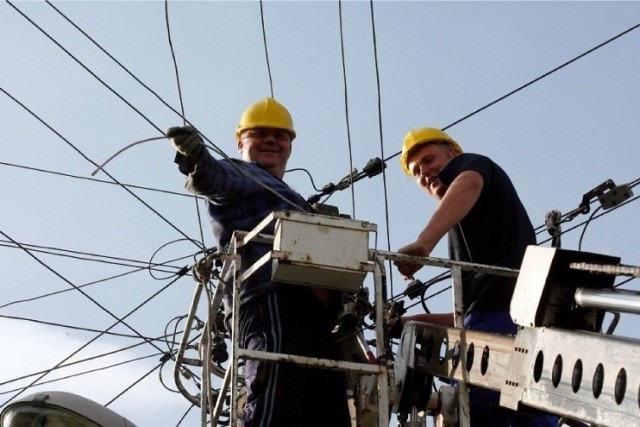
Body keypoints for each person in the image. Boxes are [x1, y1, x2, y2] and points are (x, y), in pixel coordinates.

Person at [167, 98, 351, 427]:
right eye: (259, 134)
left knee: (328, 411)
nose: (270, 140)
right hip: (270, 301)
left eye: (280, 136)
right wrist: (195, 158)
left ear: (290, 145)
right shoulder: (244, 173)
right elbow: (214, 178)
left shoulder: (289, 197)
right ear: (241, 142)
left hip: (314, 317)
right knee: (274, 399)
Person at [394, 127, 558, 426]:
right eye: (417, 171)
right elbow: (470, 314)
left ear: (454, 154)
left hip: (500, 332)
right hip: (495, 328)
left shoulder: (473, 166)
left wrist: (424, 244)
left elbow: (468, 181)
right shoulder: (462, 220)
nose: (425, 172)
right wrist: (411, 324)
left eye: (430, 160)